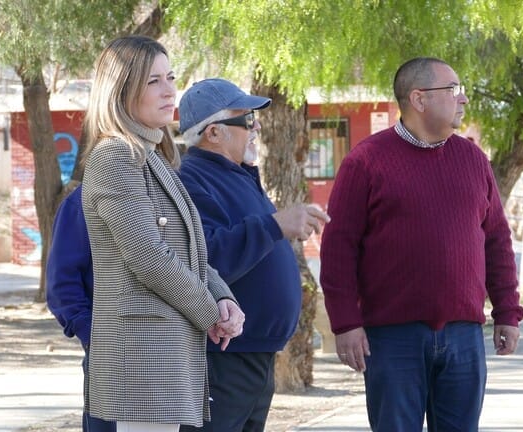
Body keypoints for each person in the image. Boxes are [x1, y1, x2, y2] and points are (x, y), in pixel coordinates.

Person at [319, 57, 523, 432]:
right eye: (453, 90)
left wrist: (508, 312)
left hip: (464, 336)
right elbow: (338, 249)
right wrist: (345, 323)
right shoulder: (365, 162)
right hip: (392, 338)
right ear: (419, 99)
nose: (463, 99)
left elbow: (496, 240)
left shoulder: (473, 160)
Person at [80, 36, 244, 432]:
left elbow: (189, 249)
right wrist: (210, 313)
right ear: (121, 89)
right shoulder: (115, 156)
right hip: (140, 357)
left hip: (167, 351)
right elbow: (149, 257)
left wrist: (223, 297)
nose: (170, 89)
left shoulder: (153, 156)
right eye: (153, 80)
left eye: (170, 76)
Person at [176, 78, 330, 432]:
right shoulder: (194, 181)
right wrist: (275, 225)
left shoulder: (237, 176)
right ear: (214, 133)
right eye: (246, 121)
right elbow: (208, 258)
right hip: (224, 359)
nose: (256, 126)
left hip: (254, 356)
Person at [45, 183, 115, 432]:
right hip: (108, 355)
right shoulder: (82, 202)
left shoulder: (165, 195)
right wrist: (92, 334)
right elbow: (61, 286)